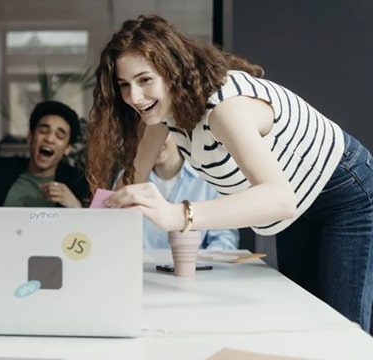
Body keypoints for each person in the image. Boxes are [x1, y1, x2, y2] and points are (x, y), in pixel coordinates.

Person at [86, 14, 373, 332]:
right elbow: (132, 181)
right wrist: (92, 245)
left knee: (344, 332)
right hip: (299, 203)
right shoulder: (160, 117)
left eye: (144, 80)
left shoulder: (224, 109)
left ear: (172, 72)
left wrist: (177, 214)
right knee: (307, 321)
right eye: (124, 85)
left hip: (345, 193)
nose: (134, 98)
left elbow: (279, 199)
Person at [0, 100, 90, 208]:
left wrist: (75, 205)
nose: (50, 139)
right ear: (30, 137)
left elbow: (94, 231)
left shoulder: (77, 183)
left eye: (59, 136)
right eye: (43, 131)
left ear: (67, 148)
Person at [142, 133, 239, 250]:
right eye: (142, 135)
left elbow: (225, 238)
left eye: (160, 134)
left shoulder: (208, 178)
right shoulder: (129, 181)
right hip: (139, 267)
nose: (154, 142)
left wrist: (200, 264)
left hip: (196, 266)